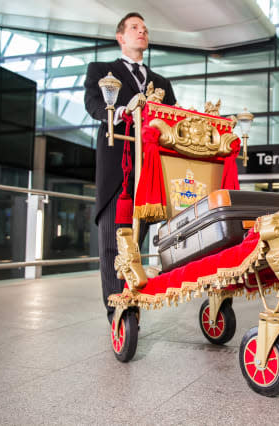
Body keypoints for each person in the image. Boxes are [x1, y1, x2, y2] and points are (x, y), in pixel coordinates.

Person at [84, 12, 177, 324]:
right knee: (113, 241)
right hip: (116, 169)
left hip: (149, 173)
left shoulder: (162, 83)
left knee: (135, 244)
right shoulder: (101, 71)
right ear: (120, 37)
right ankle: (117, 311)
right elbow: (93, 103)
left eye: (145, 29)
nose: (142, 32)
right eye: (135, 28)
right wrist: (119, 111)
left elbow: (173, 119)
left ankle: (131, 298)